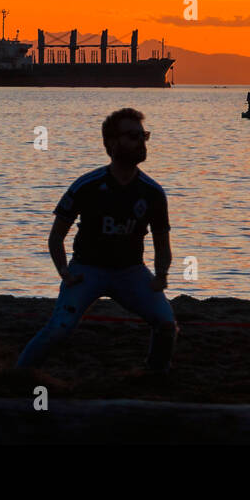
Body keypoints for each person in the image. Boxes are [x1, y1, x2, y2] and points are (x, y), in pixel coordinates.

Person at [16, 107, 176, 373]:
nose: (141, 142)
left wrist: (161, 275)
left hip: (131, 272)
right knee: (60, 328)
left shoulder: (153, 192)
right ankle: (19, 375)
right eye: (132, 136)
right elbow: (56, 237)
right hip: (87, 270)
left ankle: (156, 376)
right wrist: (64, 272)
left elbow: (162, 242)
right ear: (112, 143)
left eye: (143, 135)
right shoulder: (87, 186)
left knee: (166, 323)